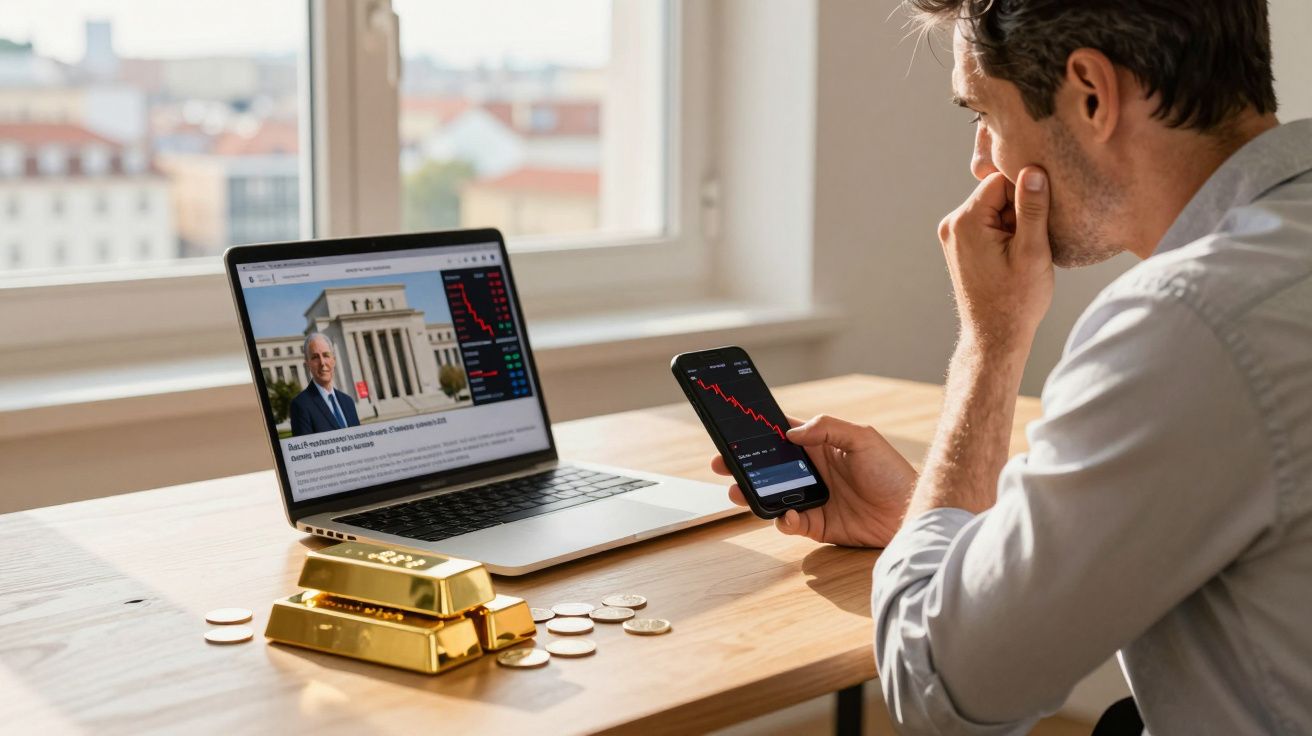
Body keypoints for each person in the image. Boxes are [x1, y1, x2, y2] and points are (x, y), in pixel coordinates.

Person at [711, 1, 1312, 733]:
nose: (979, 159)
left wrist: (990, 343)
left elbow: (937, 689)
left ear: (1091, 93)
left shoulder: (1189, 325)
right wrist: (926, 524)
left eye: (983, 113)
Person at [289, 333, 361, 436]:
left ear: (334, 360)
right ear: (308, 364)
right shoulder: (300, 405)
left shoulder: (348, 402)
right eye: (315, 357)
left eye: (326, 355)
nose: (322, 362)